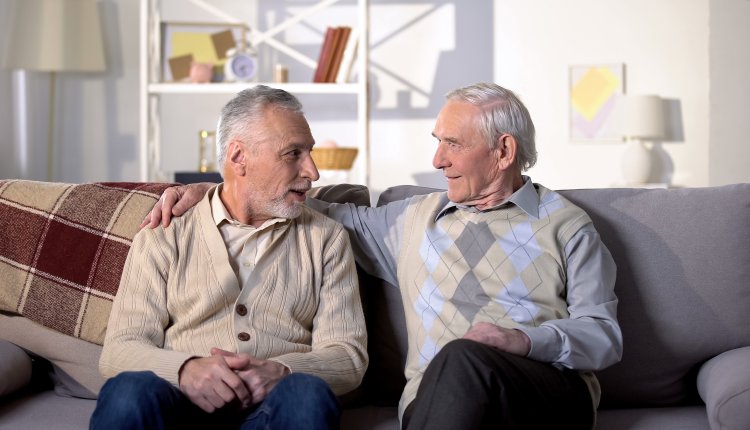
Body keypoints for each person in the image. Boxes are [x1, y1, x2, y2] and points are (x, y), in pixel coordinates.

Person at [145, 82, 623, 429]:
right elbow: (287, 197)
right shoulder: (411, 220)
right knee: (456, 366)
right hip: (438, 403)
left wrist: (523, 341)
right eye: (437, 143)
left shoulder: (566, 225)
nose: (438, 161)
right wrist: (212, 191)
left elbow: (604, 336)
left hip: (545, 395)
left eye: (452, 144)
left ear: (503, 151)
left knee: (464, 359)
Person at [91, 85, 368, 430]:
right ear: (238, 158)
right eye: (293, 153)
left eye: (309, 152)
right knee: (129, 391)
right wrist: (185, 370)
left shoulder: (326, 239)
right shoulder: (164, 232)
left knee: (306, 395)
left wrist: (283, 371)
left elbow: (348, 355)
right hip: (179, 406)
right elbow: (119, 350)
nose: (313, 171)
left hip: (272, 409)